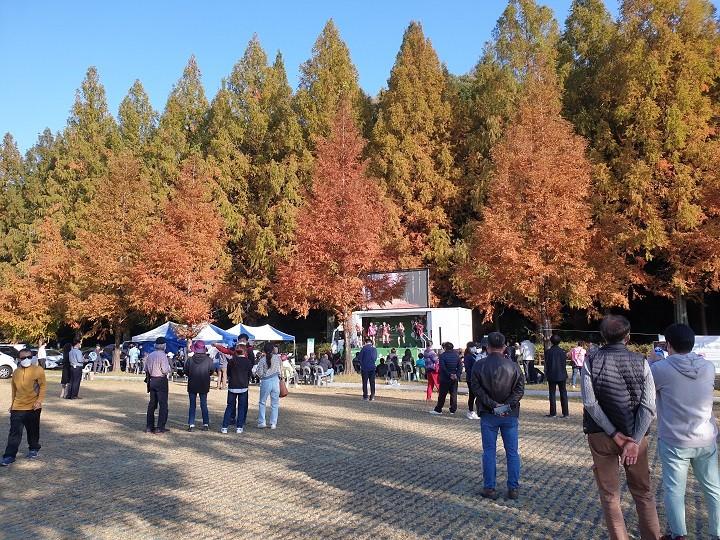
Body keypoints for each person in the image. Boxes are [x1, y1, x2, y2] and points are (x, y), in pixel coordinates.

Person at [582, 315, 661, 540]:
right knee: (643, 492)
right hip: (636, 436)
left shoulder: (591, 360)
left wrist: (615, 434)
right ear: (628, 336)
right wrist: (634, 440)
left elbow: (590, 403)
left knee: (610, 495)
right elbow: (648, 406)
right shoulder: (641, 361)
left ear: (603, 336)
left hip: (601, 435)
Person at [651, 324, 720, 540]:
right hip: (706, 437)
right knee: (713, 489)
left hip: (675, 440)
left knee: (674, 490)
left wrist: (653, 360)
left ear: (668, 345)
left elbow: (649, 390)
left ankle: (678, 534)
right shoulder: (708, 367)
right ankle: (717, 532)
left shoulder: (660, 369)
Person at [471, 332, 525, 500]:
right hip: (509, 413)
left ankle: (489, 488)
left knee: (489, 451)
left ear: (487, 347)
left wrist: (493, 405)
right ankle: (513, 487)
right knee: (512, 452)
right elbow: (519, 390)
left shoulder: (478, 366)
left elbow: (476, 389)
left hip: (489, 412)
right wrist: (506, 405)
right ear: (504, 347)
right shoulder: (514, 366)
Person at [1, 349, 46, 466]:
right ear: (19, 359)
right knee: (14, 433)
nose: (26, 359)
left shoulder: (38, 370)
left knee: (33, 431)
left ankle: (34, 448)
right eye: (23, 358)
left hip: (33, 407)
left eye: (29, 357)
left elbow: (43, 386)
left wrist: (39, 401)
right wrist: (12, 404)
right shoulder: (16, 372)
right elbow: (14, 390)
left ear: (32, 357)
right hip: (17, 407)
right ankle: (9, 456)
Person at [219, 341, 254, 434]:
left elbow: (229, 373)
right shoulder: (248, 362)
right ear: (245, 352)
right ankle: (239, 427)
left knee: (229, 407)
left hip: (232, 386)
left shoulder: (231, 361)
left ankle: (224, 427)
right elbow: (249, 374)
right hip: (243, 387)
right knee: (241, 407)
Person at [145, 337, 172, 434]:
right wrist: (169, 369)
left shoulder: (150, 355)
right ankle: (160, 427)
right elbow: (164, 370)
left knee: (152, 404)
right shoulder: (163, 356)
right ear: (164, 345)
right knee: (163, 404)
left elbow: (146, 369)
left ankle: (149, 426)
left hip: (152, 380)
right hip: (161, 380)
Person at [185, 341, 214, 432]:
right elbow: (211, 371)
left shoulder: (190, 360)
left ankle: (191, 424)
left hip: (192, 383)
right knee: (204, 404)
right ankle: (206, 424)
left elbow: (186, 371)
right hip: (204, 383)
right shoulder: (209, 360)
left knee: (192, 405)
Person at [255, 343, 282, 429]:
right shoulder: (277, 358)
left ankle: (262, 422)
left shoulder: (262, 360)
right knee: (275, 403)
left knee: (262, 402)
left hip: (266, 381)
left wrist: (263, 375)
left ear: (264, 350)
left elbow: (259, 372)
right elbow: (280, 370)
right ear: (273, 349)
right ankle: (273, 423)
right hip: (275, 380)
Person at [430, 342, 461, 415]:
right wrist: (457, 375)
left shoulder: (442, 356)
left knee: (442, 395)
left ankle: (439, 409)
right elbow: (460, 366)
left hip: (445, 378)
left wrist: (449, 374)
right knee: (453, 394)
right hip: (454, 378)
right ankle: (453, 409)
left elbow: (443, 367)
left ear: (445, 348)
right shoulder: (456, 356)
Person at [544, 334, 569, 418]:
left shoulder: (548, 352)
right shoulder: (563, 352)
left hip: (552, 374)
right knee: (563, 393)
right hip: (562, 374)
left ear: (551, 342)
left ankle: (553, 413)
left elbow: (547, 364)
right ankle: (565, 413)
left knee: (552, 394)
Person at [463, 342, 481, 420]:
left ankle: (477, 410)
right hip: (471, 378)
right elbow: (468, 369)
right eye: (473, 347)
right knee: (472, 395)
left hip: (477, 378)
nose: (475, 348)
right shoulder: (468, 356)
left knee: (477, 395)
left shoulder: (476, 355)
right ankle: (471, 411)